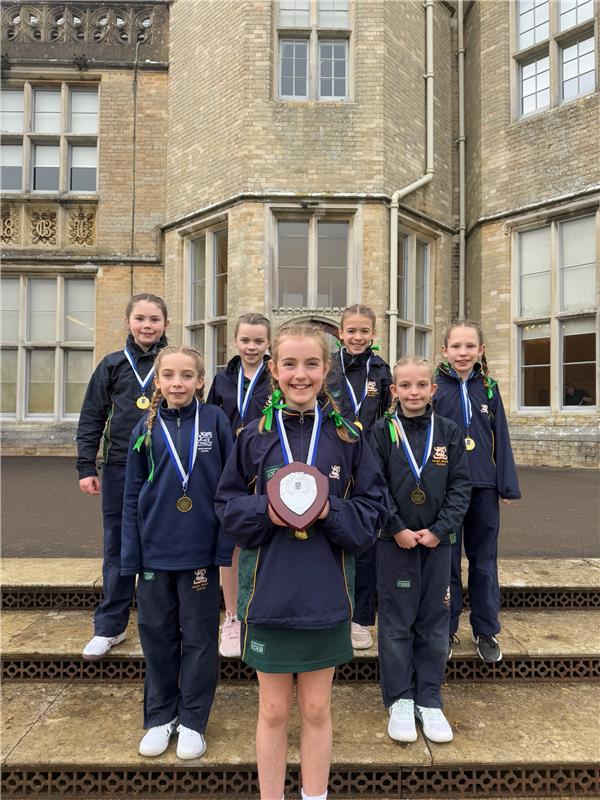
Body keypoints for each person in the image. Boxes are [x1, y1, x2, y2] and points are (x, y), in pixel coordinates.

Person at [215, 321, 389, 800]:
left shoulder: (349, 438)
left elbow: (373, 510)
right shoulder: (253, 436)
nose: (300, 374)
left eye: (311, 363)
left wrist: (331, 509)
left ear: (326, 369)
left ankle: (315, 797)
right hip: (267, 595)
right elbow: (227, 506)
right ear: (273, 370)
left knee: (315, 709)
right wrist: (267, 511)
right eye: (289, 364)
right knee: (272, 711)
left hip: (326, 595)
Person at [121, 346, 234, 759]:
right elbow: (132, 495)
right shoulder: (144, 428)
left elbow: (228, 490)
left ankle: (192, 720)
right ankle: (159, 716)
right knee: (157, 639)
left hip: (199, 555)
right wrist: (130, 557)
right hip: (154, 555)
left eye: (187, 375)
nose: (178, 383)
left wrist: (223, 549)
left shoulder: (217, 421)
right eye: (168, 375)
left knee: (200, 641)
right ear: (157, 382)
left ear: (200, 381)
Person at [371, 357, 470, 744]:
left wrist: (439, 530)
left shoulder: (449, 431)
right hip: (393, 544)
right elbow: (374, 485)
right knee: (396, 623)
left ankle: (429, 697)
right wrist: (395, 528)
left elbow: (462, 488)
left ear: (434, 390)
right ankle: (399, 698)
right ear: (394, 391)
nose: (414, 392)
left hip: (437, 545)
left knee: (434, 623)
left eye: (421, 385)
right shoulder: (382, 432)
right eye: (406, 386)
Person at [76, 293, 169, 661]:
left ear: (166, 324)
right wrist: (86, 466)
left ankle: (161, 622)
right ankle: (110, 626)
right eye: (141, 319)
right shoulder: (112, 365)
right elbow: (91, 418)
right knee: (117, 544)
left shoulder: (174, 361)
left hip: (167, 467)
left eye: (155, 319)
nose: (147, 326)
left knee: (162, 542)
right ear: (128, 322)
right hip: (119, 467)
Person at [434, 320, 521, 663]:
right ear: (445, 351)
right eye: (456, 346)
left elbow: (501, 435)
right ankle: (447, 627)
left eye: (470, 346)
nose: (463, 352)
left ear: (481, 350)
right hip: (446, 490)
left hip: (483, 487)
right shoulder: (435, 388)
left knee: (484, 562)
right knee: (447, 563)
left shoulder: (488, 387)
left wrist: (506, 483)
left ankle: (486, 631)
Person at [326, 304, 392, 650]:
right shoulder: (329, 367)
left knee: (365, 537)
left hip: (369, 460)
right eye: (351, 330)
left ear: (374, 334)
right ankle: (333, 610)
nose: (357, 337)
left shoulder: (381, 370)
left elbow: (387, 415)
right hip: (334, 457)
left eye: (364, 331)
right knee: (332, 532)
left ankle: (360, 619)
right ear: (341, 333)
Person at [207, 312, 271, 658]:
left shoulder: (275, 378)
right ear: (235, 341)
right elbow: (211, 423)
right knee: (230, 543)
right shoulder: (221, 381)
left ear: (268, 343)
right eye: (246, 340)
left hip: (264, 470)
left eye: (258, 341)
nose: (251, 346)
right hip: (229, 471)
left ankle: (260, 613)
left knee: (265, 542)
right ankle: (231, 616)